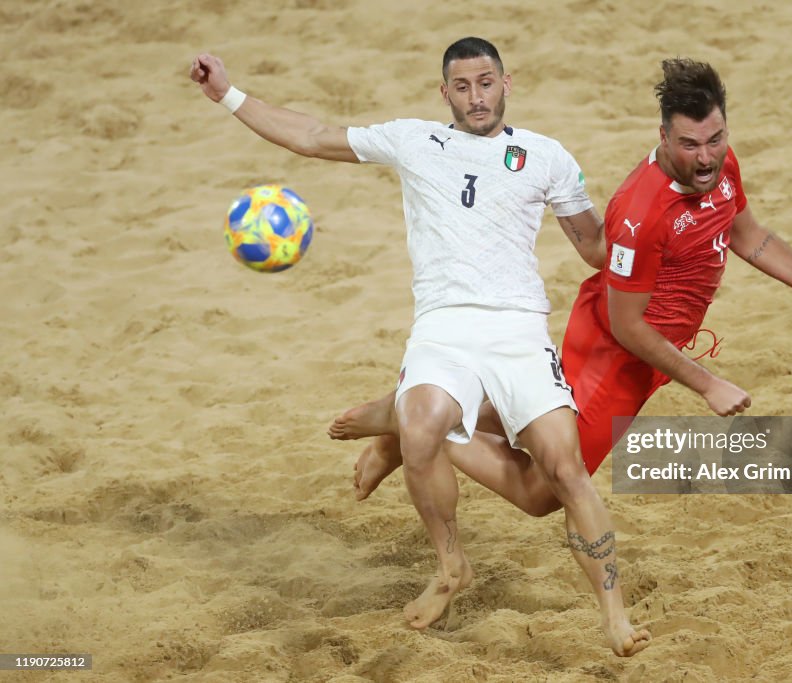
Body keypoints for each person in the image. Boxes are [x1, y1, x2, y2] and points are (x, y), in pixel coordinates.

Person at [190, 38, 651, 656]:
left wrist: (655, 202)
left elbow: (597, 251)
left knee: (565, 472)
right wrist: (227, 93)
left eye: (486, 83)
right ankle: (451, 564)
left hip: (518, 330)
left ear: (506, 83)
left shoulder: (546, 157)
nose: (476, 97)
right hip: (444, 327)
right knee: (423, 424)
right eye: (462, 86)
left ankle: (615, 615)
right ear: (446, 93)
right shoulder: (414, 140)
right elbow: (312, 135)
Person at [329, 57, 792, 516]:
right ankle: (413, 423)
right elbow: (626, 325)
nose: (707, 158)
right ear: (664, 136)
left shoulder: (720, 163)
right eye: (691, 145)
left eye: (716, 139)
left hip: (655, 351)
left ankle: (418, 414)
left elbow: (748, 233)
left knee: (533, 420)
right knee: (541, 494)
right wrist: (707, 383)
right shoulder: (642, 213)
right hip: (616, 353)